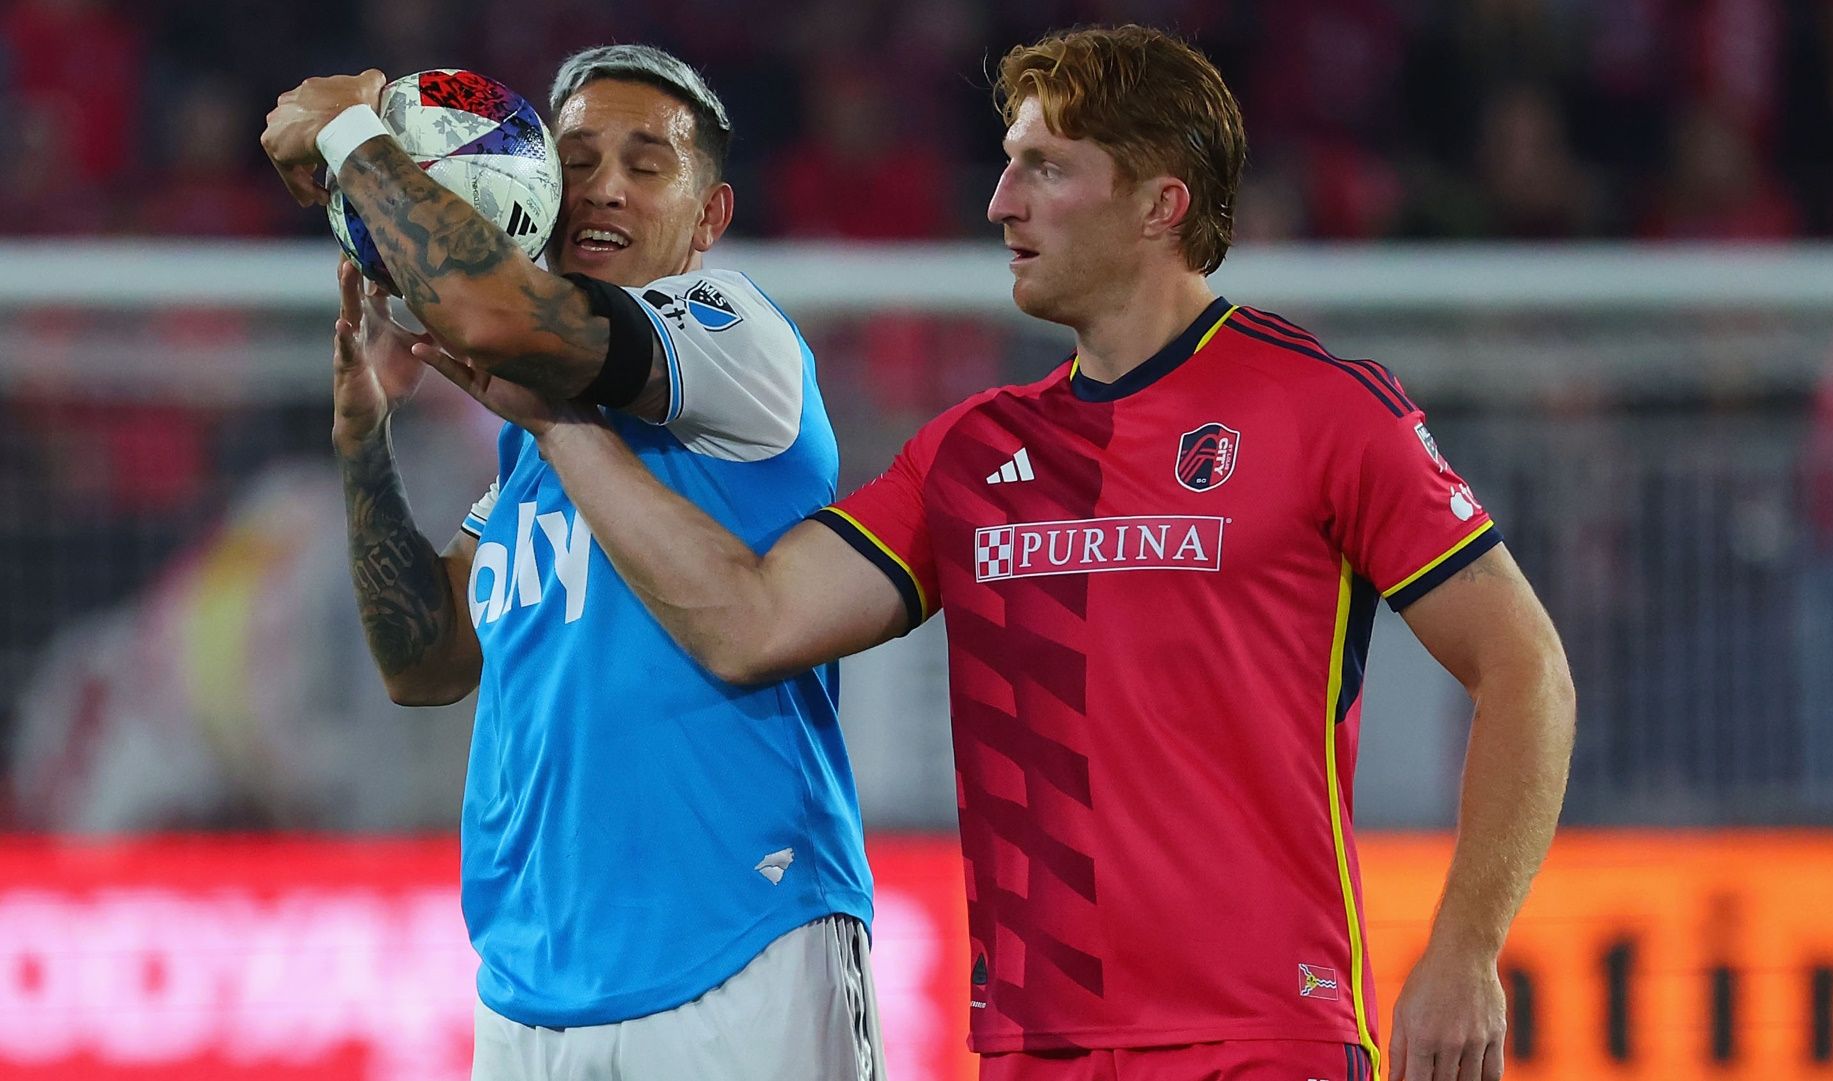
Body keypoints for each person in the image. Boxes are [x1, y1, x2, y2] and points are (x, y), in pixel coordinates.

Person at [419, 25, 1575, 1081]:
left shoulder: (1326, 410)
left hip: (1261, 1038)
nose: (999, 202)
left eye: (1043, 167)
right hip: (1035, 1048)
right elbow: (749, 626)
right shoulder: (973, 454)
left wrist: (1467, 946)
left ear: (1160, 203)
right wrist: (561, 423)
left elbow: (1526, 669)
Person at [259, 45, 883, 1081]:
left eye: (647, 165)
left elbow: (498, 312)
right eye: (580, 159)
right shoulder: (532, 442)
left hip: (741, 943)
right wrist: (361, 435)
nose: (603, 187)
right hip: (532, 987)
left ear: (710, 217)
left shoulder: (736, 335)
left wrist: (355, 129)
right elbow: (425, 661)